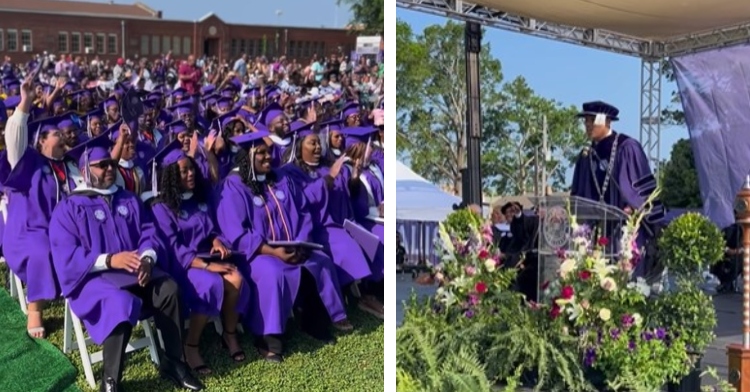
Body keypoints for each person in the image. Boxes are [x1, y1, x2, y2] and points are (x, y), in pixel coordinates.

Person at [48, 132, 203, 392]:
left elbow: (148, 233)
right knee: (120, 303)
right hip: (92, 280)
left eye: (111, 163)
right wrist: (110, 260)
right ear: (86, 169)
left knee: (168, 290)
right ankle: (110, 381)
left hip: (135, 275)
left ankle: (174, 362)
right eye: (103, 165)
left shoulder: (127, 199)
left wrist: (146, 259)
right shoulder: (69, 207)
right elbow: (67, 255)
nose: (110, 168)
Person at [214, 130, 351, 363]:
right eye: (262, 154)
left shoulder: (280, 179)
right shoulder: (233, 186)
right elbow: (236, 233)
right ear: (248, 157)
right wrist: (273, 251)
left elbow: (304, 211)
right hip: (255, 253)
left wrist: (300, 243)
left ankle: (314, 323)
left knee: (319, 261)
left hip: (291, 247)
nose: (269, 158)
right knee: (273, 273)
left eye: (269, 152)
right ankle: (268, 339)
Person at [149, 140, 251, 375]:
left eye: (192, 168)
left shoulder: (198, 198)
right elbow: (174, 248)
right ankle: (191, 344)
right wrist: (207, 265)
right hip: (184, 266)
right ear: (172, 176)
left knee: (236, 279)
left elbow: (212, 229)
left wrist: (216, 241)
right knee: (212, 283)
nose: (191, 173)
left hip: (207, 259)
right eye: (184, 171)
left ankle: (229, 333)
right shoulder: (162, 207)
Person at [0, 77, 79, 338]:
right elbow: (14, 134)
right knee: (43, 250)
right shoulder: (26, 160)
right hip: (28, 233)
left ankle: (86, 300)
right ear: (42, 141)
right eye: (56, 133)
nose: (63, 135)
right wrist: (25, 101)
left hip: (59, 230)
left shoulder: (69, 165)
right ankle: (35, 308)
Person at [281, 122, 383, 318]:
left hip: (342, 223)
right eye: (312, 143)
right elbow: (304, 200)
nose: (318, 147)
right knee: (349, 246)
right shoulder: (291, 173)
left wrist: (354, 174)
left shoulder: (327, 166)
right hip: (317, 228)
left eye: (319, 143)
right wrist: (329, 178)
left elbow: (349, 192)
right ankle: (359, 297)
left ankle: (367, 294)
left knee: (372, 242)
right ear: (299, 146)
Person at [570, 101, 665, 276]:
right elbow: (578, 196)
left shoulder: (627, 147)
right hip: (597, 231)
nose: (588, 125)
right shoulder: (586, 155)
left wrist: (636, 208)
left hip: (623, 230)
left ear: (605, 121)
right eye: (586, 121)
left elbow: (642, 189)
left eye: (592, 120)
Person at [502, 202, 540, 302]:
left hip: (546, 266)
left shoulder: (559, 227)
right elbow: (522, 226)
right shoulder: (535, 221)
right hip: (529, 264)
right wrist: (518, 215)